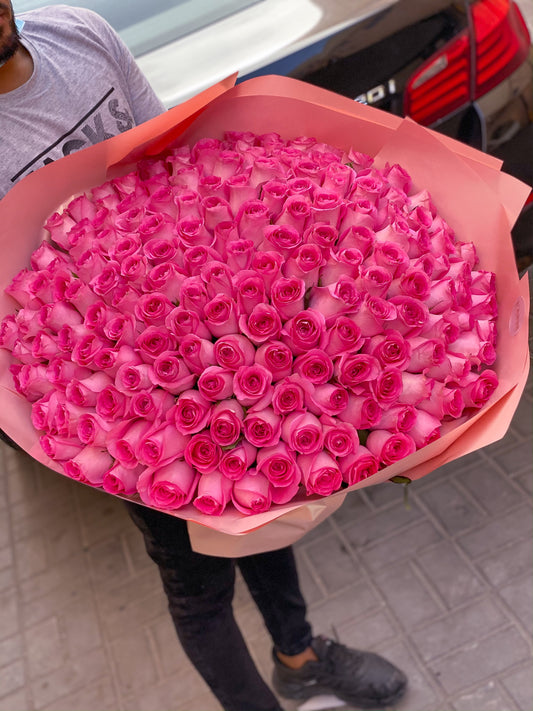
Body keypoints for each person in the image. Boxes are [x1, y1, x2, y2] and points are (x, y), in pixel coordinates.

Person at [0, 4, 408, 710]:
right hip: (116, 410)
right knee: (196, 584)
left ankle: (299, 655)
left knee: (262, 499)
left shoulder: (79, 35)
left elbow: (173, 167)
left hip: (210, 337)